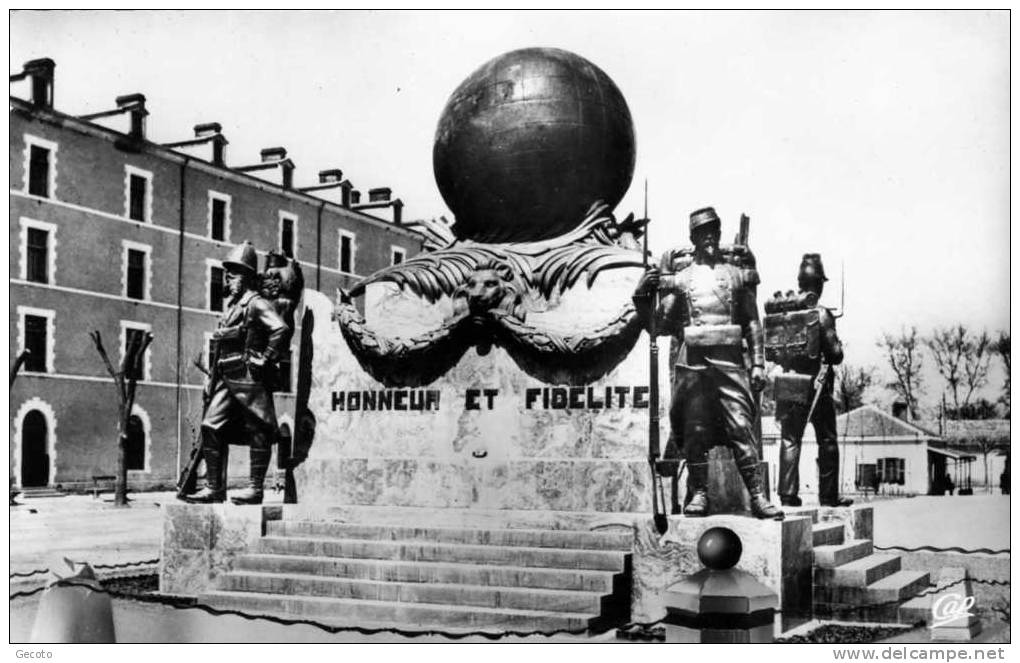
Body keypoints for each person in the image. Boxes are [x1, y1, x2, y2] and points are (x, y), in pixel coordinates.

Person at [634, 207, 782, 520]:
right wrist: (641, 296)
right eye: (704, 233)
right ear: (694, 238)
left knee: (741, 426)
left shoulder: (734, 275)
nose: (711, 237)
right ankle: (699, 493)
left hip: (729, 360)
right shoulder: (681, 279)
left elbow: (753, 322)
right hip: (693, 363)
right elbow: (658, 326)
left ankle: (757, 496)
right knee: (694, 429)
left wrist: (757, 363)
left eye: (714, 230)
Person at [185, 241, 289, 505]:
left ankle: (255, 489)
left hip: (249, 377)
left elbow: (280, 329)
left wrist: (265, 359)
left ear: (248, 278)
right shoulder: (232, 307)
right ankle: (214, 488)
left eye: (235, 273)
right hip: (226, 377)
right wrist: (211, 381)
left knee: (259, 428)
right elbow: (220, 347)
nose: (229, 278)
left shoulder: (255, 304)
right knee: (211, 426)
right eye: (228, 273)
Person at [771, 254, 853, 508]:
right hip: (816, 386)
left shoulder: (786, 311)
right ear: (819, 284)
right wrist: (837, 343)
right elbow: (835, 356)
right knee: (827, 440)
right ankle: (828, 497)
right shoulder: (821, 314)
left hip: (787, 384)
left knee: (790, 439)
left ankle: (787, 494)